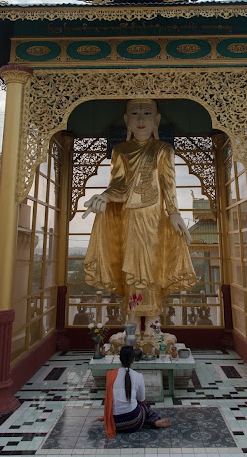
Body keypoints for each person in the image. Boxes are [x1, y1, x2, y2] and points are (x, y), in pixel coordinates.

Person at [83, 99, 196, 326]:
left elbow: (168, 184)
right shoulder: (120, 150)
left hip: (154, 219)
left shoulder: (163, 149)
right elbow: (118, 184)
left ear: (157, 120)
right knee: (132, 268)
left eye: (147, 113)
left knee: (152, 267)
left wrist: (174, 212)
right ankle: (132, 324)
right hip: (130, 218)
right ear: (127, 120)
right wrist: (104, 196)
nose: (141, 119)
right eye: (134, 114)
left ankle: (153, 324)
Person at [101, 345, 170, 437]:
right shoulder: (138, 376)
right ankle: (154, 421)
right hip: (133, 423)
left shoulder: (110, 375)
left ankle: (151, 421)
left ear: (120, 359)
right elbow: (142, 401)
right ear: (133, 360)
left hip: (114, 422)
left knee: (135, 404)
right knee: (145, 407)